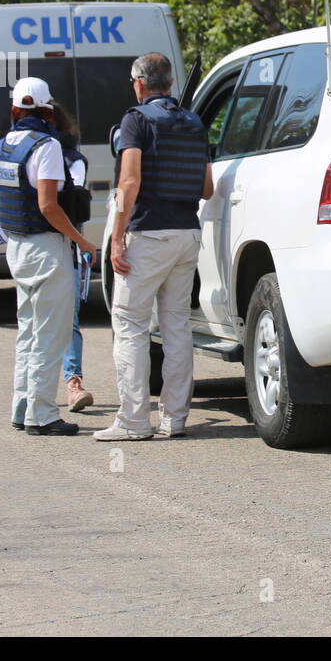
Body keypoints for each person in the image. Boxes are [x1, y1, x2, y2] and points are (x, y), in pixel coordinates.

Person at [95, 52, 211, 441]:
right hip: (187, 235)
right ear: (171, 84)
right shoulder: (195, 123)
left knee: (130, 324)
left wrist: (116, 239)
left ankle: (133, 421)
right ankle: (174, 419)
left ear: (140, 83)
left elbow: (129, 183)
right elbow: (207, 188)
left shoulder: (136, 120)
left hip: (148, 235)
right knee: (177, 325)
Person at [0, 77, 99, 435]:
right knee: (50, 335)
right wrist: (82, 243)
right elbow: (48, 206)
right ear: (47, 109)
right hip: (46, 248)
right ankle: (42, 415)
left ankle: (22, 408)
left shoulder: (5, 145)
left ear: (14, 110)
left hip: (18, 247)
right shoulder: (47, 146)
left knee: (28, 332)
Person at [52, 103, 96, 412]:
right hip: (34, 247)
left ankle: (72, 383)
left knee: (70, 319)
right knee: (35, 321)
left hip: (66, 247)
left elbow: (70, 202)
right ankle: (30, 393)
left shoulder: (73, 163)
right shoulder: (22, 153)